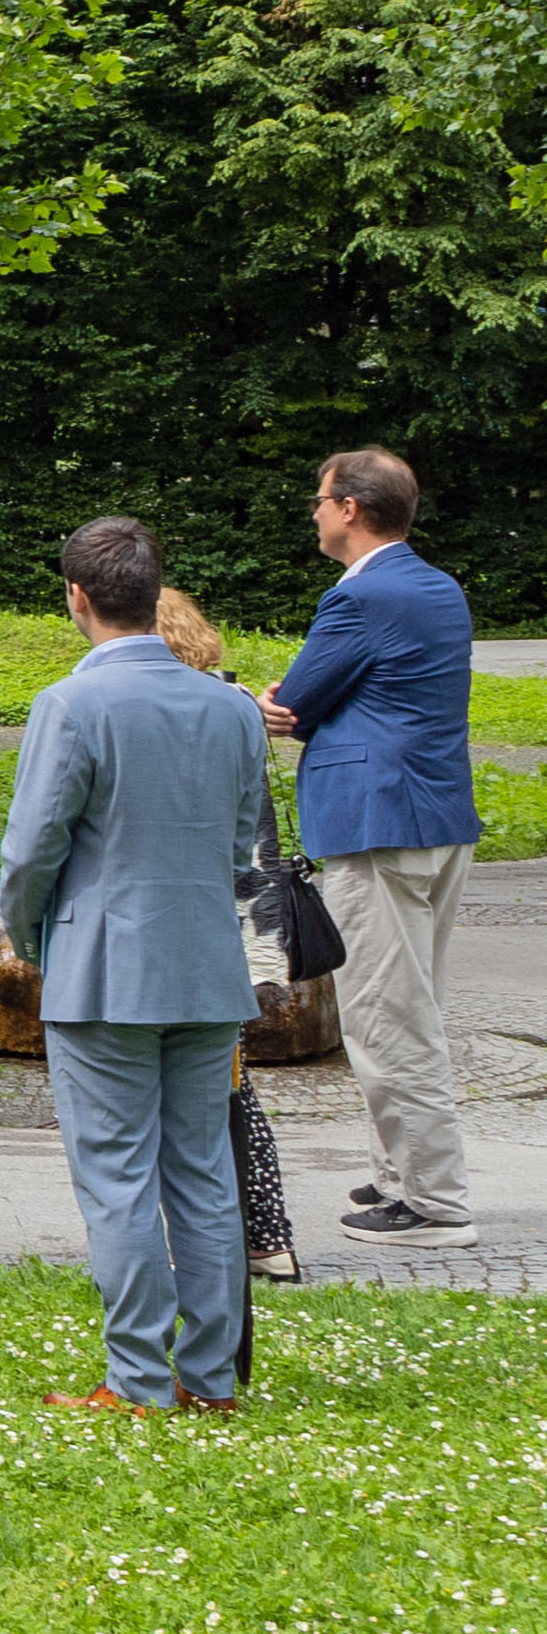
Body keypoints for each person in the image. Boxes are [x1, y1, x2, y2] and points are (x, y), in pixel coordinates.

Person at [0, 518, 264, 1414]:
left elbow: (32, 852)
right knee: (201, 1170)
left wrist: (33, 938)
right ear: (155, 591)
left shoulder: (71, 704)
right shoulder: (230, 707)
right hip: (206, 964)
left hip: (103, 967)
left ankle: (141, 1380)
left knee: (116, 1175)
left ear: (77, 597)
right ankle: (212, 1377)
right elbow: (240, 846)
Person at [263, 448, 482, 1249]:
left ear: (351, 506)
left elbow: (296, 701)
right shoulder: (436, 586)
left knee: (389, 1016)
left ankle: (434, 1201)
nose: (313, 512)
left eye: (319, 499)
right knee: (410, 1000)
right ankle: (399, 1170)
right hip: (436, 818)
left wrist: (272, 705)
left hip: (375, 823)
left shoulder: (357, 598)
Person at [157, 589, 302, 1284]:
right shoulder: (237, 705)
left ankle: (237, 1235)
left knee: (207, 1089)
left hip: (186, 928)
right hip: (237, 924)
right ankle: (264, 1234)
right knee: (229, 1085)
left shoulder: (155, 706)